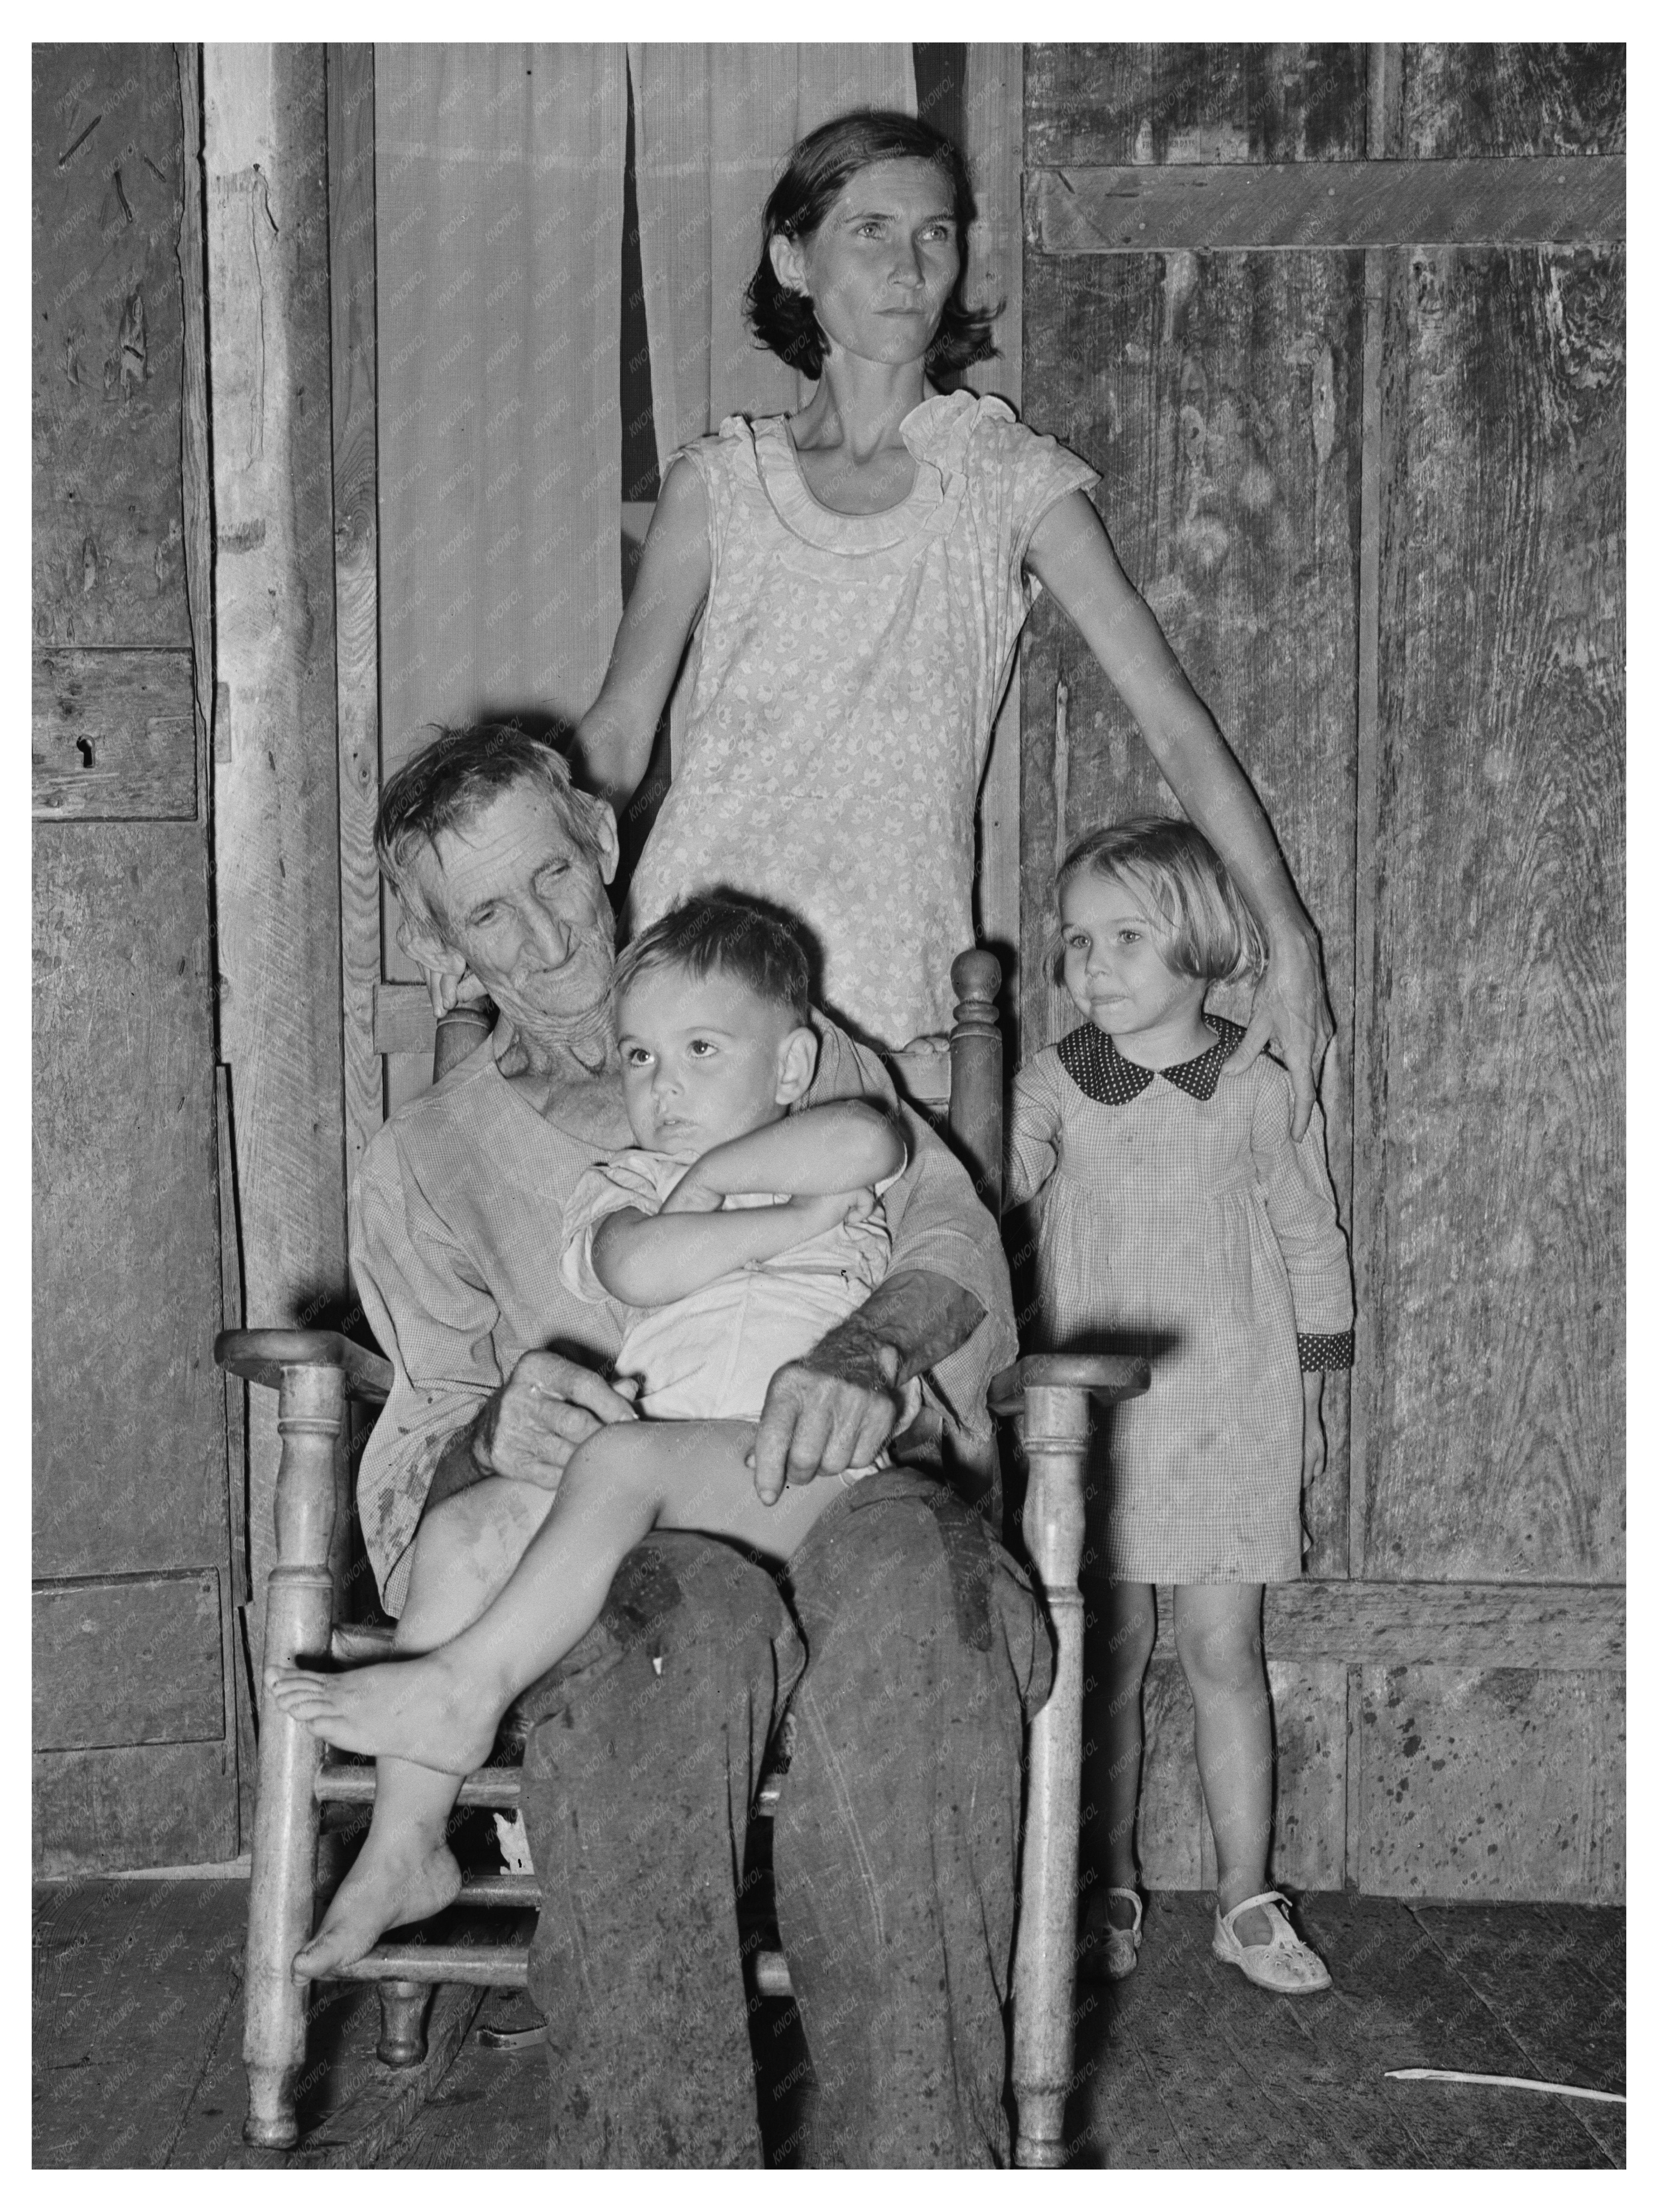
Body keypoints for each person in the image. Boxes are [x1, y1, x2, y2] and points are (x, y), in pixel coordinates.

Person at [310, 723, 1048, 2166]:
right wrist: (486, 1434)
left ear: (599, 837)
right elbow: (413, 1483)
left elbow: (948, 1226)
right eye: (485, 915)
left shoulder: (779, 1034)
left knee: (916, 1617)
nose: (541, 935)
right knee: (664, 1649)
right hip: (621, 1549)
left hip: (862, 1481)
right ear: (440, 941)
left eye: (552, 879)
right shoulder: (424, 1163)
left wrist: (874, 1340)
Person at [574, 107, 1333, 1132]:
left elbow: (1172, 720)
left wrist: (1287, 933)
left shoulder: (1006, 476)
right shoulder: (720, 486)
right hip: (692, 968)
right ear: (792, 259)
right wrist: (546, 934)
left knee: (879, 1274)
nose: (909, 263)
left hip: (888, 985)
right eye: (871, 230)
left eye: (935, 233)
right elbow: (616, 741)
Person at [265, 895, 924, 1774]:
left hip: (806, 1479)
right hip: (650, 1496)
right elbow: (640, 1268)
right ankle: (402, 1850)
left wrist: (720, 1177)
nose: (666, 1084)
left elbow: (871, 1142)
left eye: (701, 1049)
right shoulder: (624, 1184)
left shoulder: (825, 1149)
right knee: (465, 1534)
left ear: (793, 1064)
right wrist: (774, 1216)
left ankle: (467, 1690)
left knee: (619, 1459)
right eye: (640, 1057)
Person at [1008, 819, 1353, 1995]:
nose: (1091, 966)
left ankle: (1246, 1895)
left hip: (1232, 1406)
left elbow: (1311, 1235)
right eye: (1075, 941)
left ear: (1201, 942)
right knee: (1104, 1654)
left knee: (1222, 1648)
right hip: (1096, 1423)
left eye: (1124, 938)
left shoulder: (1253, 1083)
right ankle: (1100, 1879)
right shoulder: (1054, 1079)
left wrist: (1319, 1390)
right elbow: (995, 1180)